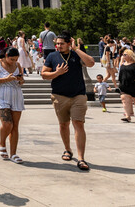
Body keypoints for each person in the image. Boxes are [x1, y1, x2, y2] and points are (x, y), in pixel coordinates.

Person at [41, 32, 94, 171]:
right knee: (64, 124)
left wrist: (77, 49)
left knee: (78, 124)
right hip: (59, 96)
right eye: (57, 44)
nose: (58, 46)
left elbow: (91, 63)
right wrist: (56, 73)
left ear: (69, 44)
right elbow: (44, 74)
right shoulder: (52, 56)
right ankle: (67, 149)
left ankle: (81, 158)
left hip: (78, 95)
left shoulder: (76, 54)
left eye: (62, 44)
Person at [0, 47, 25, 164]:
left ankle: (13, 153)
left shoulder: (18, 65)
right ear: (6, 56)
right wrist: (5, 79)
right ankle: (2, 142)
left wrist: (20, 80)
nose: (13, 62)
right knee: (7, 123)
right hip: (1, 94)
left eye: (16, 59)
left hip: (16, 94)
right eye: (11, 59)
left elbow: (22, 80)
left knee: (15, 126)